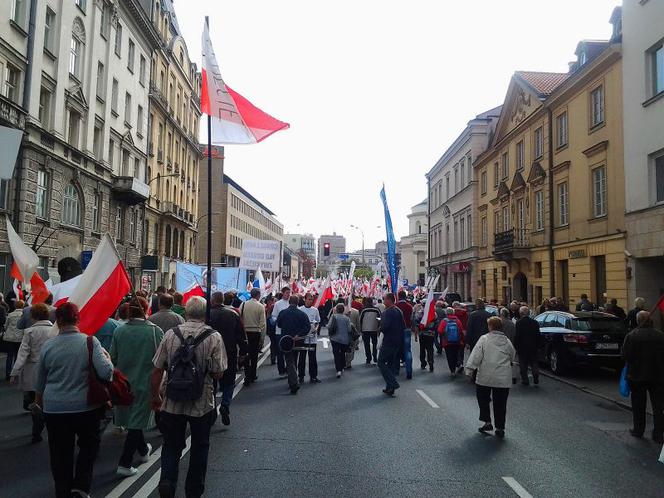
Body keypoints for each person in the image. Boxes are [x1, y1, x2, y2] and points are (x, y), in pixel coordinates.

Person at [35, 302, 114, 498]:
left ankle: (62, 491)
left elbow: (40, 381)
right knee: (89, 447)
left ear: (58, 321)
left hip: (55, 408)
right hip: (85, 407)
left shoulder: (48, 346)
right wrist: (108, 358)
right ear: (78, 319)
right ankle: (80, 487)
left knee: (60, 453)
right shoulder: (90, 342)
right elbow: (106, 372)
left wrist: (40, 404)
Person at [151, 296, 227, 498]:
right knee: (200, 446)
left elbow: (157, 368)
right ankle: (193, 490)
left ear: (186, 312)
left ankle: (167, 479)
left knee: (171, 444)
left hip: (172, 399)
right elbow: (219, 372)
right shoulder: (214, 336)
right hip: (201, 401)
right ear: (204, 313)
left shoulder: (171, 334)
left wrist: (155, 397)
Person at [111, 297, 164, 477]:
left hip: (124, 383)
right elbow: (162, 360)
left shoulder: (120, 331)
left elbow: (113, 358)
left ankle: (142, 451)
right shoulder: (155, 332)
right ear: (146, 308)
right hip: (146, 382)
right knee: (137, 421)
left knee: (134, 420)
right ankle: (124, 462)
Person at [9, 303, 55, 443]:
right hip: (50, 369)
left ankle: (37, 428)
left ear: (33, 316)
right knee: (47, 399)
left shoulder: (29, 332)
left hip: (32, 369)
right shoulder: (54, 331)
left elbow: (22, 353)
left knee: (36, 400)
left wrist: (15, 372)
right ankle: (47, 424)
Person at [465, 316, 516, 439]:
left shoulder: (484, 339)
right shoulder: (507, 341)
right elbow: (512, 355)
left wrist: (470, 369)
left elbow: (476, 355)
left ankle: (487, 421)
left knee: (483, 399)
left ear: (491, 327)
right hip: (503, 378)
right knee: (501, 404)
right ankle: (500, 427)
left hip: (485, 376)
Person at [622, 311, 664, 443]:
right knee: (659, 407)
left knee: (638, 405)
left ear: (638, 321)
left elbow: (625, 356)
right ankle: (658, 434)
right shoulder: (661, 335)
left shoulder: (632, 336)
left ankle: (638, 430)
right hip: (658, 376)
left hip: (637, 376)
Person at [208, 292, 247, 425]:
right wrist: (243, 352)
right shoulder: (232, 314)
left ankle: (212, 409)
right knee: (229, 381)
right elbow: (241, 335)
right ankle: (225, 404)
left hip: (210, 353)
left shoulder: (207, 314)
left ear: (212, 301)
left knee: (211, 382)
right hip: (228, 352)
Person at [276, 295, 311, 392]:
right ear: (298, 302)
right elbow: (307, 327)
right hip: (298, 340)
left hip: (286, 340)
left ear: (289, 302)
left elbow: (278, 324)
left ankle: (293, 383)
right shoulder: (302, 314)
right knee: (295, 358)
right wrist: (298, 334)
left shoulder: (283, 313)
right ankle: (294, 379)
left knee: (290, 361)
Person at [377, 293, 405, 396]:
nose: (384, 302)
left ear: (389, 300)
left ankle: (393, 382)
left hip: (389, 341)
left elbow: (384, 327)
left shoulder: (387, 312)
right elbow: (403, 326)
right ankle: (390, 388)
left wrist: (379, 328)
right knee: (391, 364)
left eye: (384, 300)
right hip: (397, 341)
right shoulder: (399, 311)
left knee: (380, 362)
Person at [239, 289, 267, 386]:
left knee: (246, 354)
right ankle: (253, 374)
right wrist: (262, 339)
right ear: (258, 295)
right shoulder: (260, 306)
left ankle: (247, 375)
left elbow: (239, 319)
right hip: (256, 332)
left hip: (245, 332)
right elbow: (263, 324)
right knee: (254, 355)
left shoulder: (243, 305)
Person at [514, 306, 541, 386]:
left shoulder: (519, 323)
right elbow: (538, 335)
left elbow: (517, 336)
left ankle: (525, 379)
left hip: (522, 347)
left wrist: (516, 346)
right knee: (534, 362)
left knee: (523, 363)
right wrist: (539, 345)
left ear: (521, 313)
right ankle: (535, 375)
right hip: (533, 346)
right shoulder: (535, 322)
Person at [297, 293, 321, 383]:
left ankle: (313, 376)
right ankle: (301, 376)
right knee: (302, 357)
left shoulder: (315, 310)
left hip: (312, 337)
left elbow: (318, 321)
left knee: (312, 357)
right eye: (309, 299)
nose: (310, 301)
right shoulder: (300, 310)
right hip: (303, 337)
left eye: (312, 299)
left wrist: (316, 328)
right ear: (305, 299)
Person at [271, 287, 292, 376]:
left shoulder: (292, 303)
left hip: (290, 331)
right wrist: (279, 320)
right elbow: (273, 316)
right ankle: (281, 370)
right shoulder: (277, 304)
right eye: (287, 292)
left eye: (289, 293)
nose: (288, 294)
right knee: (280, 352)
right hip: (279, 331)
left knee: (289, 351)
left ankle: (288, 369)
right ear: (283, 293)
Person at [328, 303, 353, 378]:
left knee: (336, 354)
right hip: (344, 339)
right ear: (343, 310)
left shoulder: (333, 316)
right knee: (342, 353)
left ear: (337, 310)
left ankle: (338, 370)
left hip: (334, 338)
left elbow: (329, 326)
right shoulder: (347, 318)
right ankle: (342, 367)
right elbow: (349, 329)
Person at [439, 307, 465, 377]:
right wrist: (462, 339)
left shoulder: (444, 321)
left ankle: (452, 371)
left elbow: (440, 331)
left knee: (449, 356)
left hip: (447, 342)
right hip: (457, 341)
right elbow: (461, 331)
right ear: (453, 313)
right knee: (456, 354)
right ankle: (459, 364)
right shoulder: (457, 321)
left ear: (446, 313)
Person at [4, 299, 25, 380]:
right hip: (19, 338)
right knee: (17, 356)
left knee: (9, 356)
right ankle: (15, 373)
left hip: (10, 338)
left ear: (15, 306)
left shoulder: (10, 315)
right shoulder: (24, 315)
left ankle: (7, 373)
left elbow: (6, 326)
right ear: (23, 306)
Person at [395, 290, 414, 379]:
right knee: (407, 350)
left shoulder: (395, 306)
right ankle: (409, 371)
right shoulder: (409, 306)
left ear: (398, 296)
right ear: (405, 297)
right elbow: (412, 319)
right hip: (407, 329)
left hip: (397, 330)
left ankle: (396, 370)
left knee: (396, 350)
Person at [420, 301, 443, 372]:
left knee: (422, 349)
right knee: (430, 349)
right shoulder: (434, 314)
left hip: (422, 334)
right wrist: (433, 329)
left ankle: (423, 363)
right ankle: (431, 363)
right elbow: (437, 323)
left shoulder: (420, 313)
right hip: (431, 334)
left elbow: (416, 322)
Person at [359, 297, 381, 364]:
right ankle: (375, 357)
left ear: (366, 302)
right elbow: (379, 319)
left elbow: (360, 320)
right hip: (374, 329)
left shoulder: (364, 310)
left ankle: (368, 358)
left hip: (365, 329)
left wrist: (360, 329)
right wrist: (378, 326)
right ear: (372, 302)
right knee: (375, 344)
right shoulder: (376, 310)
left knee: (366, 344)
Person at [344, 299, 361, 369]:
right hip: (352, 332)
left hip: (343, 332)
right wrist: (358, 332)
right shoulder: (356, 311)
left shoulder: (340, 309)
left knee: (343, 348)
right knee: (351, 348)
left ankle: (344, 361)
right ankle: (348, 362)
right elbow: (358, 323)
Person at [264, 295, 278, 364]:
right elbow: (268, 316)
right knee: (275, 342)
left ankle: (273, 357)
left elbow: (267, 317)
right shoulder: (273, 307)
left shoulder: (268, 307)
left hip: (270, 328)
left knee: (273, 342)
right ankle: (274, 356)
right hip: (274, 327)